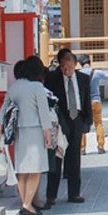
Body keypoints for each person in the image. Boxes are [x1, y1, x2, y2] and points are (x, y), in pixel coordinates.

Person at [0, 56, 55, 215]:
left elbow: (4, 108)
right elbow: (43, 112)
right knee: (36, 169)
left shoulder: (14, 87)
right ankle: (27, 204)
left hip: (19, 131)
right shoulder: (37, 87)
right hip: (35, 130)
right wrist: (48, 133)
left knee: (22, 169)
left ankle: (26, 202)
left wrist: (0, 126)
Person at [44, 48, 93, 205]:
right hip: (59, 120)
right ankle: (51, 195)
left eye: (70, 67)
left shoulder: (83, 79)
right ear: (59, 65)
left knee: (74, 157)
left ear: (75, 64)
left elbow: (86, 101)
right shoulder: (52, 79)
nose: (67, 71)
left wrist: (87, 121)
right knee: (56, 156)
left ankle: (74, 193)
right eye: (64, 68)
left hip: (77, 118)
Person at [77, 55, 107, 155]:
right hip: (96, 100)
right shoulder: (97, 72)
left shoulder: (79, 74)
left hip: (84, 102)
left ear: (80, 64)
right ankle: (101, 146)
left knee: (82, 124)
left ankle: (82, 148)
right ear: (90, 62)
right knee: (98, 123)